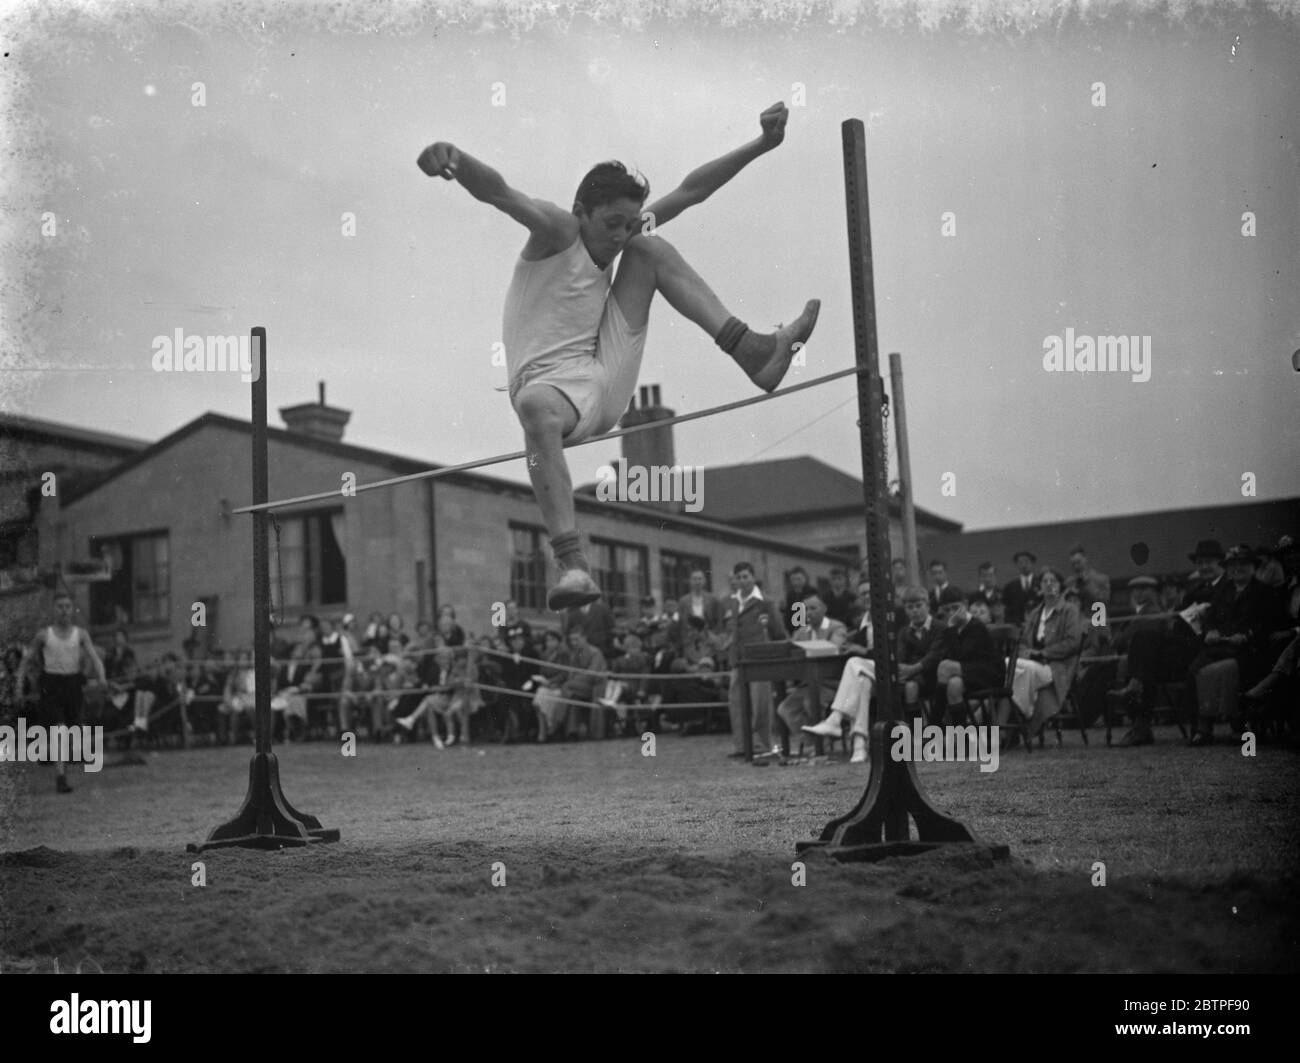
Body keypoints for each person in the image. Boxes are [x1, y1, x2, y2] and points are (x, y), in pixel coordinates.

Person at [417, 102, 820, 612]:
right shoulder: (557, 230)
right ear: (581, 212)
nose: (618, 236)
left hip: (604, 373)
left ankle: (754, 353)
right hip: (549, 388)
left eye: (627, 223)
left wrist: (761, 144)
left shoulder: (626, 233)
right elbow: (500, 193)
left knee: (650, 250)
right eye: (611, 223)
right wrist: (456, 160)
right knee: (536, 409)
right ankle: (573, 563)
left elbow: (692, 191)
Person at [22, 590, 107, 793]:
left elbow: (95, 658)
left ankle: (52, 759)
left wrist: (102, 677)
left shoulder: (81, 634)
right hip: (51, 684)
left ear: (73, 610)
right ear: (54, 609)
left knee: (71, 729)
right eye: (60, 607)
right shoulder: (44, 634)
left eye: (67, 607)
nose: (64, 611)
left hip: (72, 684)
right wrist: (21, 683)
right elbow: (27, 661)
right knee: (58, 729)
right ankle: (61, 777)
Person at [1005, 569, 1083, 737]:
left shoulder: (1069, 611)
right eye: (1045, 581)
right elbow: (1023, 643)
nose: (1049, 584)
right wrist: (1027, 653)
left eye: (1053, 581)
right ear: (1040, 587)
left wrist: (1043, 653)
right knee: (1007, 664)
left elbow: (1072, 643)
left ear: (1060, 586)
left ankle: (1022, 717)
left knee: (1025, 671)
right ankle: (1012, 720)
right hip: (1034, 664)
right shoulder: (1034, 614)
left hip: (1058, 667)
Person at [722, 560, 786, 759]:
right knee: (737, 702)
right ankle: (742, 745)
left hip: (759, 659)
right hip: (737, 659)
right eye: (738, 577)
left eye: (746, 576)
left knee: (760, 703)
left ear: (752, 577)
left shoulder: (765, 602)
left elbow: (778, 630)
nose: (742, 580)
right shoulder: (731, 602)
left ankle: (761, 744)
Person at [1002, 550, 1040, 627]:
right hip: (1017, 626)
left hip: (1038, 624)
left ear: (1032, 563)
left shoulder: (1040, 583)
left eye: (1026, 562)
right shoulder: (1009, 587)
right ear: (1017, 565)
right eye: (1020, 562)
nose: (1024, 565)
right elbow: (1007, 610)